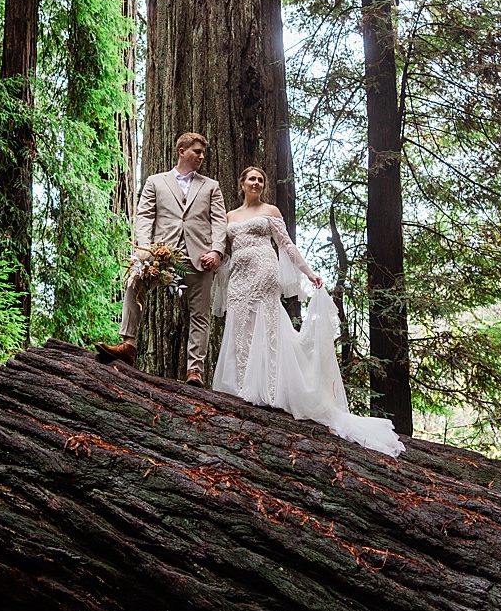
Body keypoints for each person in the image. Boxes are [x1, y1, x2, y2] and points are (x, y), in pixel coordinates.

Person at [211, 165, 404, 456]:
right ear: (241, 184)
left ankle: (270, 388)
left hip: (264, 271)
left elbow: (287, 246)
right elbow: (224, 251)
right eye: (251, 178)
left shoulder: (271, 211)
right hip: (238, 275)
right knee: (239, 325)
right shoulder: (230, 217)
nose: (256, 182)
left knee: (266, 325)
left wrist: (309, 272)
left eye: (260, 179)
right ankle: (240, 385)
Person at [97, 132, 224, 383]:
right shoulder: (156, 181)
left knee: (200, 314)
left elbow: (219, 221)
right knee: (134, 283)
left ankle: (195, 369)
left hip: (199, 257)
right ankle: (128, 344)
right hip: (161, 253)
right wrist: (144, 248)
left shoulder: (211, 186)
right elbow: (145, 215)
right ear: (182, 151)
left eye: (203, 152)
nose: (201, 156)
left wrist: (217, 251)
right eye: (197, 151)